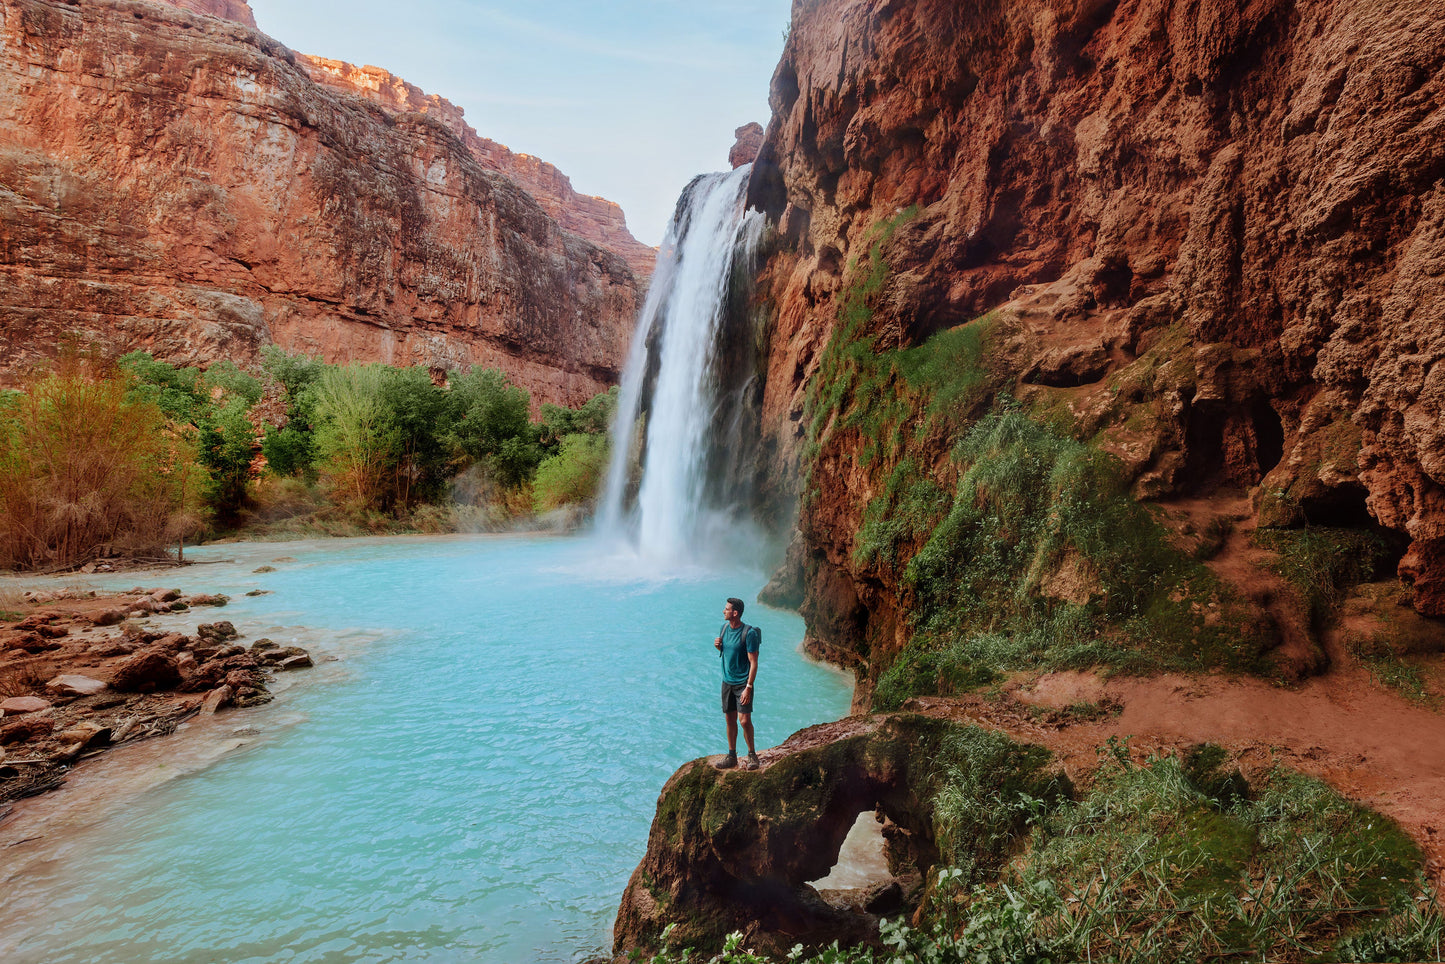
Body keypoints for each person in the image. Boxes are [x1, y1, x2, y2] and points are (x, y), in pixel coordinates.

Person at [713, 596, 761, 770]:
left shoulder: (750, 633)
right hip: (727, 682)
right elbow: (728, 652)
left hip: (742, 683)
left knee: (744, 720)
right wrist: (719, 646)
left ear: (735, 613)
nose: (724, 611)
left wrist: (749, 687)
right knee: (730, 719)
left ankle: (752, 756)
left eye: (726, 609)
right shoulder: (724, 628)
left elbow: (754, 662)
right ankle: (732, 755)